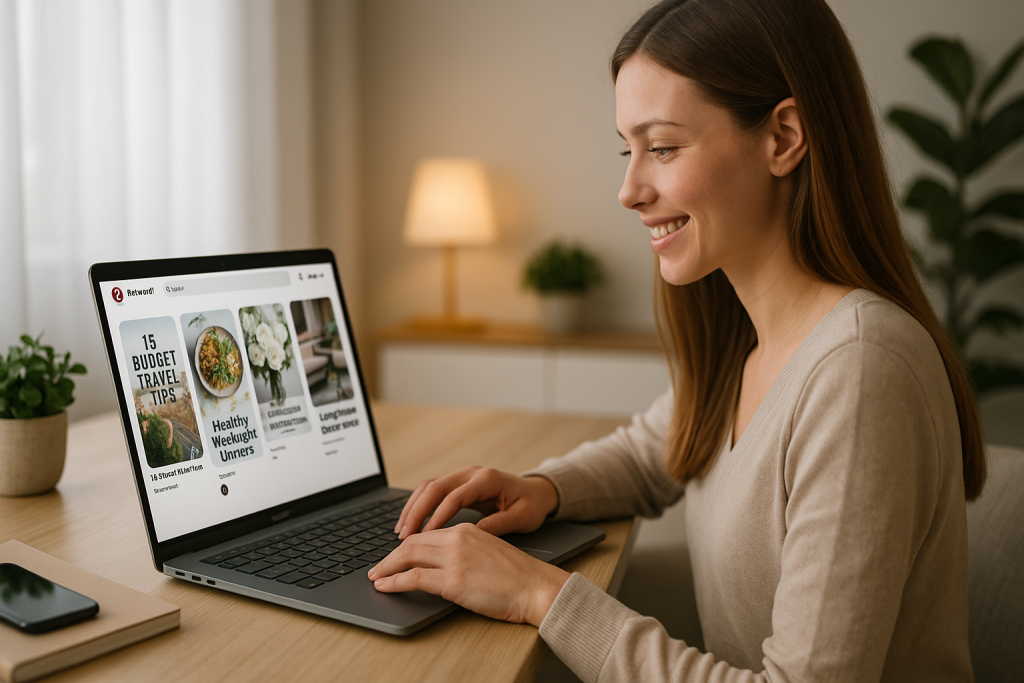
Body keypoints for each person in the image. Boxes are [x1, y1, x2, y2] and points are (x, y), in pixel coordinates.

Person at [367, 0, 986, 679]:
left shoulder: (859, 371)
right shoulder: (751, 339)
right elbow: (653, 451)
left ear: (783, 138)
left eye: (661, 147)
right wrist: (541, 487)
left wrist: (538, 593)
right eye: (627, 149)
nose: (629, 189)